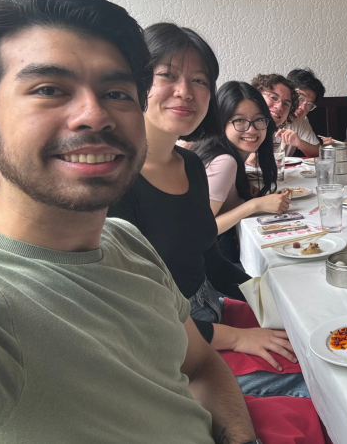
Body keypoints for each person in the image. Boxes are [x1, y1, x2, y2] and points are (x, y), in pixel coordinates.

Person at [0, 0, 256, 442]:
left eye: (116, 93)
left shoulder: (125, 240)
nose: (95, 114)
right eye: (49, 89)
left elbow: (201, 365)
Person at [108, 24, 305, 397]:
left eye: (199, 80)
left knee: (313, 338)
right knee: (310, 386)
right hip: (172, 348)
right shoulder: (115, 179)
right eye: (166, 75)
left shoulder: (191, 165)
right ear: (135, 81)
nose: (185, 91)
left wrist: (264, 293)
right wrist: (238, 338)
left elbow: (209, 259)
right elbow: (137, 316)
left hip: (210, 311)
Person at [189, 82, 291, 264]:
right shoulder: (225, 161)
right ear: (221, 122)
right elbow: (201, 231)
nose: (251, 129)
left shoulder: (230, 154)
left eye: (259, 119)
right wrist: (255, 205)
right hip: (209, 265)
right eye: (239, 121)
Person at [284, 68, 325, 157]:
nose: (302, 107)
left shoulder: (301, 120)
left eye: (309, 105)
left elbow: (318, 152)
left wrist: (299, 143)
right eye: (300, 99)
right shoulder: (265, 114)